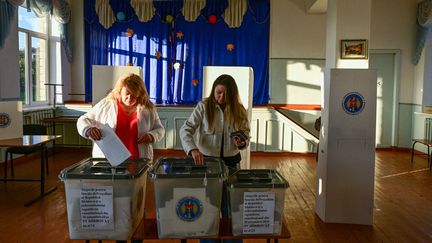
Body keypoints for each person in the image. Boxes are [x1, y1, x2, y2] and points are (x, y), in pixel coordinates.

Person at [180, 74, 250, 243]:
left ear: (232, 94)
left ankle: (232, 240)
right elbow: (186, 129)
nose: (221, 97)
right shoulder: (203, 106)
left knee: (232, 207)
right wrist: (193, 149)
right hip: (207, 164)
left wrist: (241, 142)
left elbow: (246, 134)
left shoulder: (239, 109)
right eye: (218, 93)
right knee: (208, 207)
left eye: (225, 94)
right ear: (213, 91)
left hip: (232, 164)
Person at [77, 73, 165, 161]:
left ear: (140, 94)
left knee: (139, 174)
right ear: (120, 91)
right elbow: (83, 120)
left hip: (139, 160)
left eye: (134, 95)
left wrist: (151, 136)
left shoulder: (148, 109)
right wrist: (88, 130)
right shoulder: (106, 104)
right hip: (108, 160)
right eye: (127, 93)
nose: (130, 97)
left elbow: (160, 129)